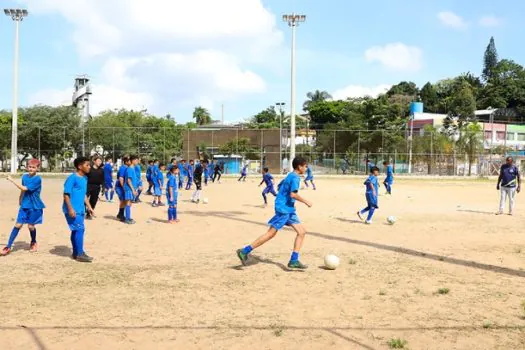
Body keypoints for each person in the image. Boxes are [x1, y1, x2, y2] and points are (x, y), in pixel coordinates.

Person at [236, 157, 312, 269]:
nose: (306, 168)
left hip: (289, 209)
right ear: (299, 167)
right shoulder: (295, 178)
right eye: (305, 166)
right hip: (284, 209)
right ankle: (244, 251)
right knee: (271, 233)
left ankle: (294, 260)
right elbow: (293, 194)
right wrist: (306, 201)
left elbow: (280, 186)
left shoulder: (290, 175)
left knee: (301, 232)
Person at [1, 159, 45, 255]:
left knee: (31, 226)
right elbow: (23, 190)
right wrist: (20, 198)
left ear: (37, 168)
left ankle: (33, 242)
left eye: (33, 167)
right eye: (29, 167)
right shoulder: (25, 177)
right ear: (26, 167)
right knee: (18, 225)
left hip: (35, 206)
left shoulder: (38, 179)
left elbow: (24, 188)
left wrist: (12, 180)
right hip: (25, 205)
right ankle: (8, 246)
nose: (31, 169)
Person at [63, 157, 95, 262]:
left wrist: (89, 207)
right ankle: (80, 254)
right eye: (87, 165)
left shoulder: (84, 178)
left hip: (81, 209)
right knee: (80, 229)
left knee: (76, 230)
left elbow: (84, 195)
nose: (89, 167)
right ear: (80, 166)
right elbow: (66, 195)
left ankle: (76, 252)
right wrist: (70, 209)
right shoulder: (72, 178)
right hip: (72, 209)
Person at [123, 155, 138, 224]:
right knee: (128, 203)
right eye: (136, 160)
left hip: (131, 189)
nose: (137, 162)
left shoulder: (133, 169)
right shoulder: (129, 169)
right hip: (129, 189)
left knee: (130, 203)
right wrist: (133, 190)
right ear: (132, 161)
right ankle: (127, 218)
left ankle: (128, 217)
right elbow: (129, 181)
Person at [115, 156, 130, 222]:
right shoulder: (123, 168)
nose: (130, 162)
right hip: (120, 187)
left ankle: (120, 214)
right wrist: (124, 188)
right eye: (129, 161)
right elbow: (121, 179)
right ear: (126, 162)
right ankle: (120, 215)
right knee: (123, 200)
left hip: (122, 187)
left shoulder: (127, 168)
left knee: (123, 201)